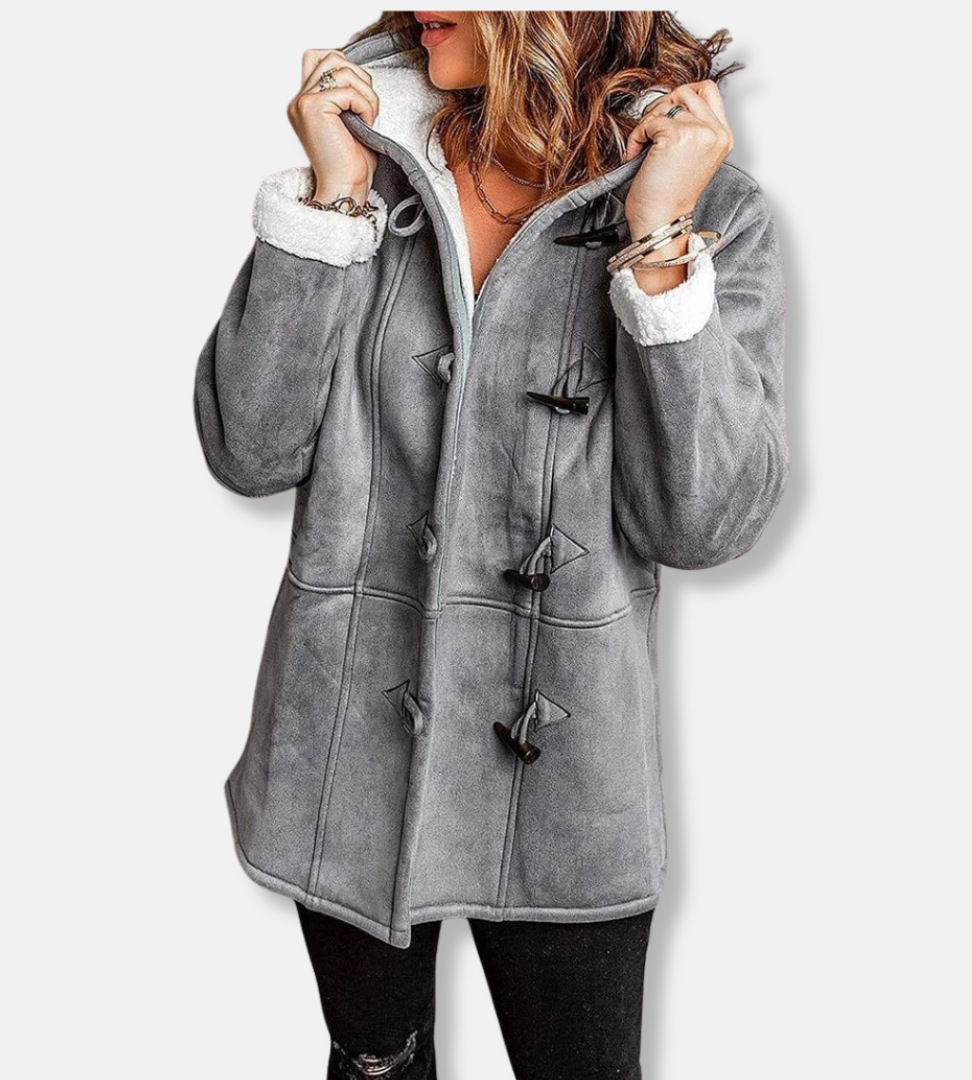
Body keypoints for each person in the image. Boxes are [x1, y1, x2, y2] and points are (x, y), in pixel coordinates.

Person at [193, 10, 788, 1079]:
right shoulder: (369, 166)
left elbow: (702, 522)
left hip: (568, 770)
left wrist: (658, 241)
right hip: (347, 742)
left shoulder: (714, 210)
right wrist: (332, 202)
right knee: (374, 1065)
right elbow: (250, 447)